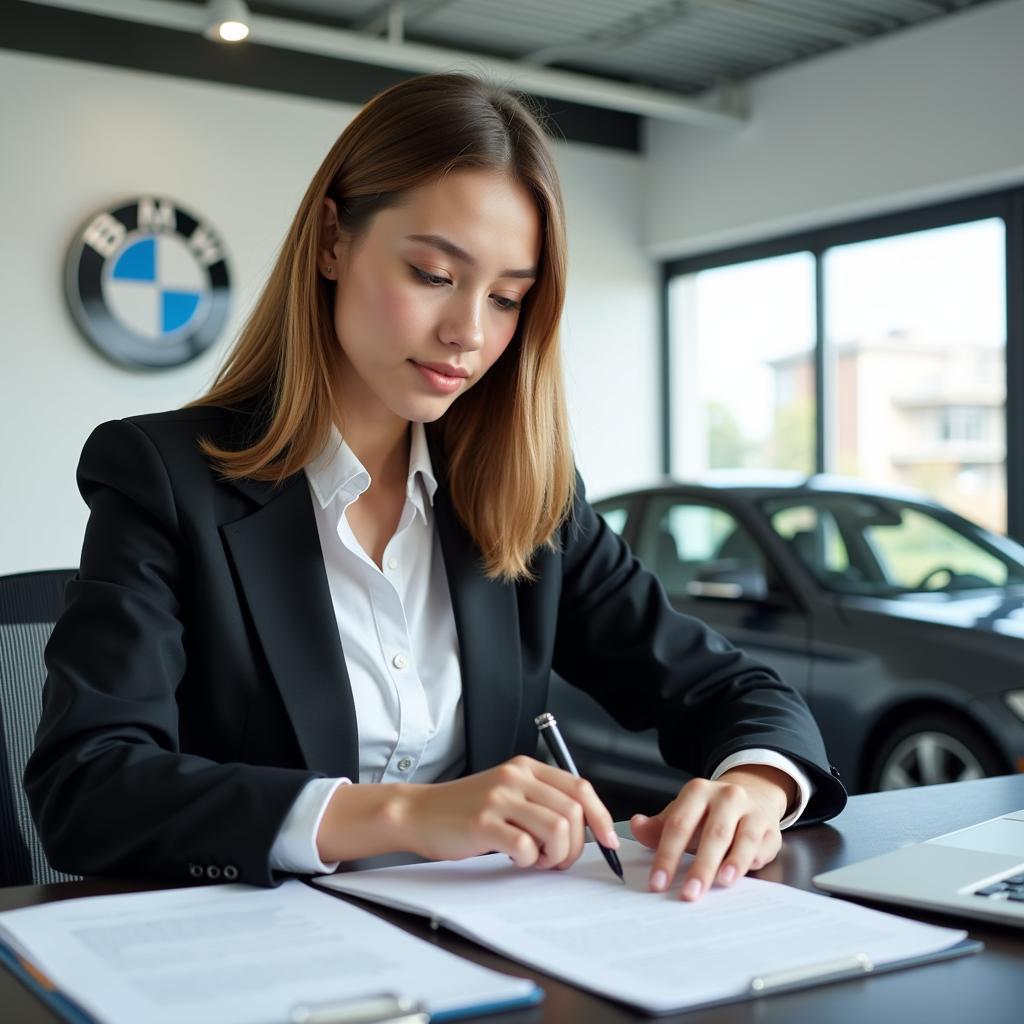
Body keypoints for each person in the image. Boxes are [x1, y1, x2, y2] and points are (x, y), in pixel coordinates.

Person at [26, 73, 846, 900]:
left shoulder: (529, 494)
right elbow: (86, 789)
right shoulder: (165, 479)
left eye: (507, 298)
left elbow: (735, 691)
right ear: (332, 240)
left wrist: (754, 789)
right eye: (431, 274)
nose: (469, 334)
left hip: (489, 952)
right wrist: (399, 815)